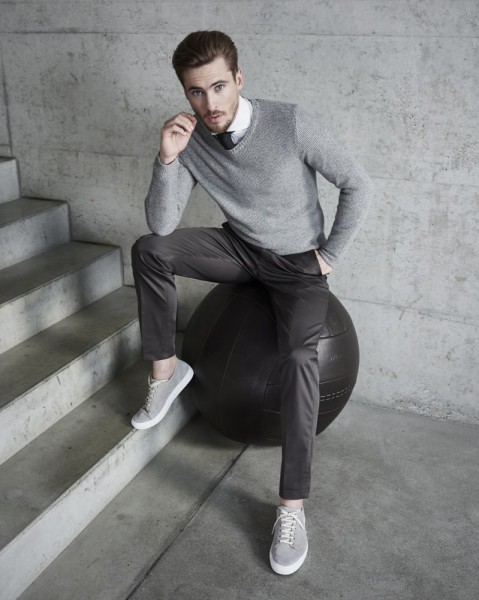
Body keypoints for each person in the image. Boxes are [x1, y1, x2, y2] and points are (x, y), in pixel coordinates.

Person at [131, 30, 373, 575]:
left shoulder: (290, 123)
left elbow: (358, 184)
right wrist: (166, 159)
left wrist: (329, 255)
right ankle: (165, 373)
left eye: (219, 87)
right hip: (240, 250)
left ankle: (292, 508)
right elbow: (162, 225)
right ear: (186, 93)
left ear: (239, 79)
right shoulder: (192, 137)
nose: (209, 103)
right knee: (149, 249)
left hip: (298, 267)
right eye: (196, 92)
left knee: (300, 358)